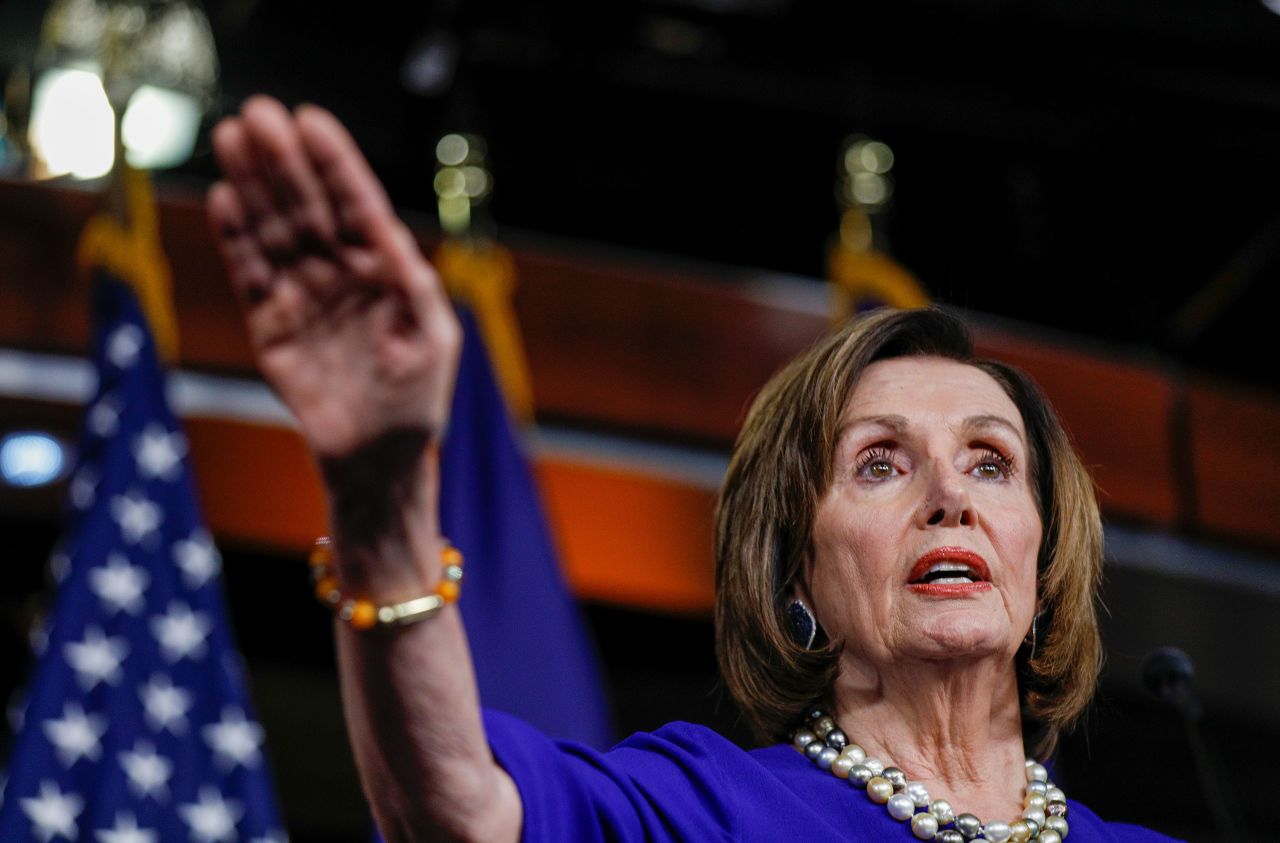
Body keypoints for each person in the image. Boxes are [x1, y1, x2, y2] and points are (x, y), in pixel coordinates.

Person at [207, 95, 1179, 842]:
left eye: (990, 463)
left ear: (1042, 553)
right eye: (879, 465)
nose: (947, 501)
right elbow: (455, 808)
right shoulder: (706, 810)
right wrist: (380, 502)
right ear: (793, 569)